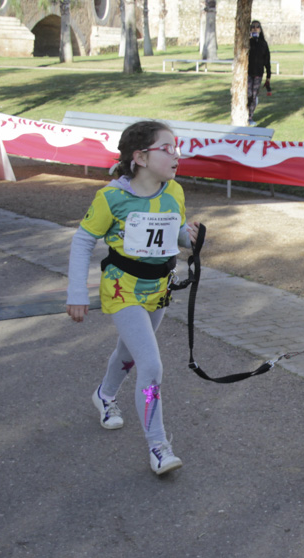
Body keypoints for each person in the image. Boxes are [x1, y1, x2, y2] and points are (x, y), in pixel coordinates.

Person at [66, 120, 201, 476]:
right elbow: (82, 241)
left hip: (157, 290)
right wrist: (77, 292)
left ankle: (105, 395)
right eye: (167, 148)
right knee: (151, 366)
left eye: (178, 148)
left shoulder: (175, 192)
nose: (177, 155)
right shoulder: (111, 198)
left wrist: (191, 238)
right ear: (140, 157)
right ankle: (159, 446)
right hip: (120, 290)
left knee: (128, 353)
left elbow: (178, 238)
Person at [246, 20, 271, 127]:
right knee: (249, 94)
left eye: (257, 27)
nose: (255, 29)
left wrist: (268, 76)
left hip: (258, 73)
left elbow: (267, 60)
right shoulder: (247, 42)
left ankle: (250, 116)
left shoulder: (263, 44)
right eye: (253, 27)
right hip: (248, 73)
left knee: (254, 94)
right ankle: (244, 113)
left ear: (260, 29)